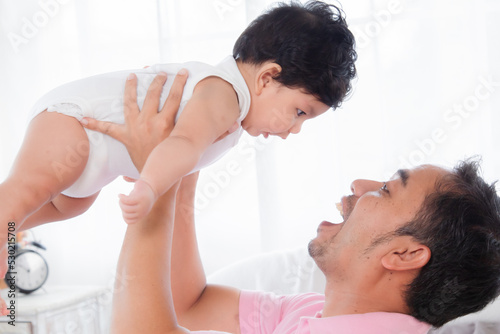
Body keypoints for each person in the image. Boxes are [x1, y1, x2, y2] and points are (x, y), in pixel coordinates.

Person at [103, 73, 500, 333]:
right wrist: (183, 166)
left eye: (386, 190)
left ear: (405, 253)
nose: (359, 185)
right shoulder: (319, 314)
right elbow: (190, 304)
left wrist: (152, 187)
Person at [0, 0, 357, 282]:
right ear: (267, 78)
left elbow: (180, 155)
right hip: (76, 124)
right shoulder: (223, 93)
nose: (294, 130)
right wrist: (150, 187)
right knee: (27, 193)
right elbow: (184, 142)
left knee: (69, 206)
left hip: (96, 157)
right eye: (299, 112)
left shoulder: (231, 116)